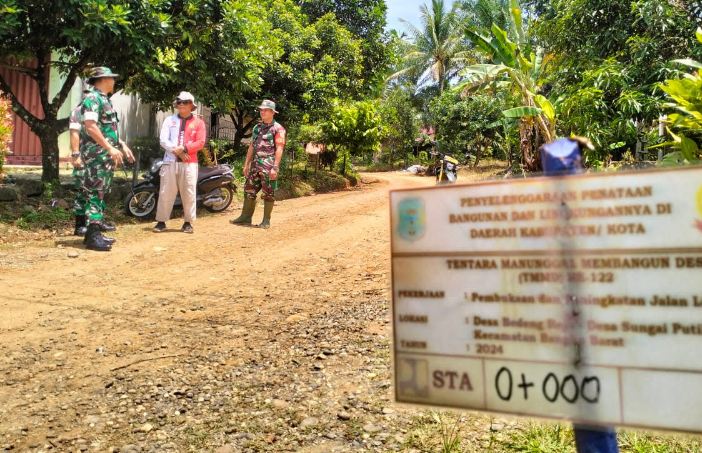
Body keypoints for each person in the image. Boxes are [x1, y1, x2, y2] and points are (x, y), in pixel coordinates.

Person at [79, 66, 134, 251]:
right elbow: (91, 126)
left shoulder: (103, 99)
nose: (114, 81)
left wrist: (121, 144)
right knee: (95, 193)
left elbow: (106, 129)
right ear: (103, 79)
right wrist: (110, 148)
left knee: (100, 192)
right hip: (96, 156)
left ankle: (92, 234)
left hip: (103, 156)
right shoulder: (93, 98)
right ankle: (93, 237)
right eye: (111, 78)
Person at [153, 91, 206, 233]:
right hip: (170, 161)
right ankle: (161, 221)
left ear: (191, 105)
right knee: (166, 192)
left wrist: (185, 148)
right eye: (179, 102)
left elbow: (200, 142)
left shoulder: (199, 123)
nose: (181, 104)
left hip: (189, 163)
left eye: (185, 102)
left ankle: (188, 222)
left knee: (188, 192)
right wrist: (178, 152)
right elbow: (163, 140)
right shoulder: (169, 120)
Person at [230, 99, 285, 229]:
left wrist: (275, 167)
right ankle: (246, 217)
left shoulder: (278, 129)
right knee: (249, 190)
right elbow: (251, 146)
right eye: (261, 110)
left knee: (268, 193)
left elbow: (279, 148)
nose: (262, 112)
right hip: (255, 165)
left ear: (272, 112)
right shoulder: (257, 128)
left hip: (269, 165)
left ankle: (266, 220)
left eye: (265, 110)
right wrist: (246, 164)